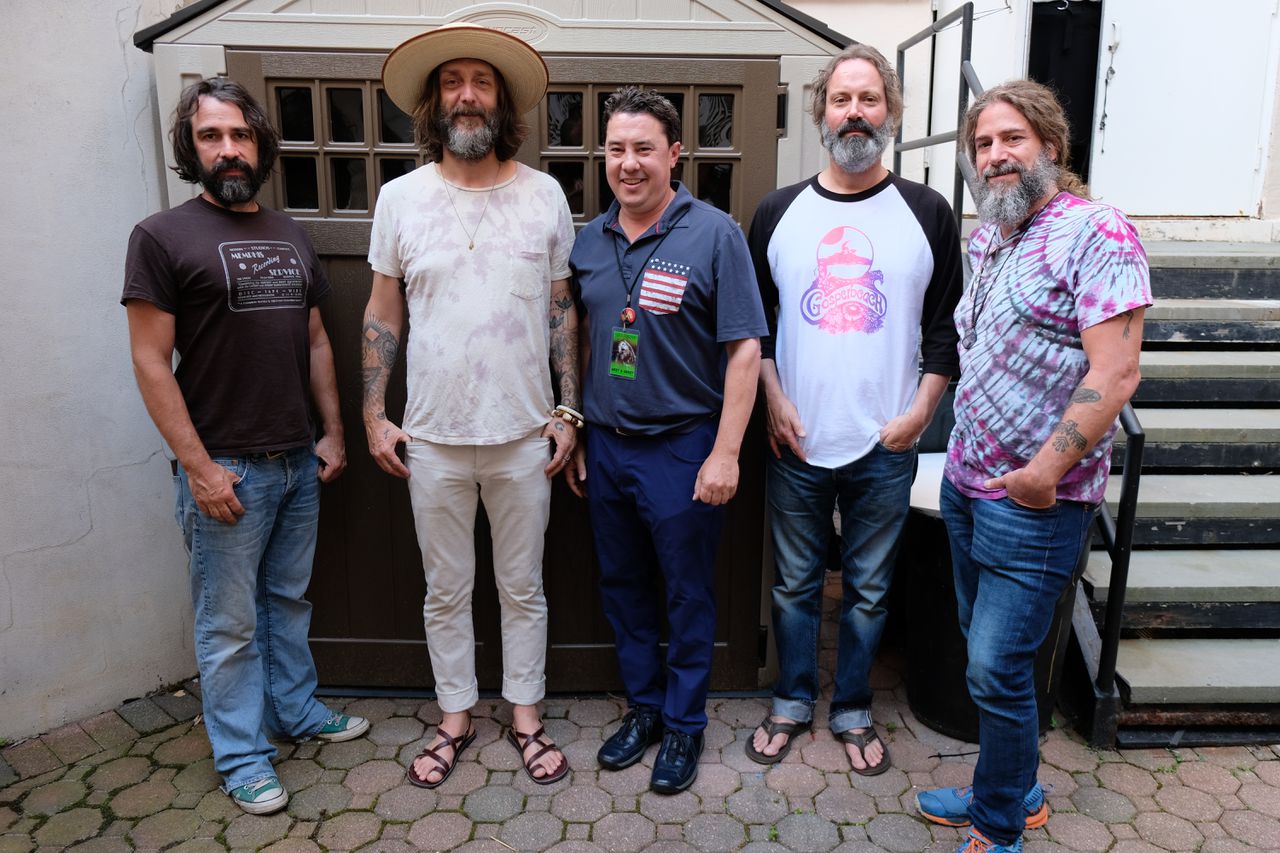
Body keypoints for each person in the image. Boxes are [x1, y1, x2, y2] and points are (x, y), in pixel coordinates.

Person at [915, 80, 1150, 853]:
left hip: (1037, 501)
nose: (995, 155)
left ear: (1051, 145)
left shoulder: (1097, 231)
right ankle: (1011, 785)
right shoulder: (990, 237)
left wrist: (1044, 471)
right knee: (992, 661)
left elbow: (1116, 372)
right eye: (982, 144)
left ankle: (998, 826)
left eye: (1012, 138)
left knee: (994, 666)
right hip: (968, 483)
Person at [123, 78, 368, 816]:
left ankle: (295, 710)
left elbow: (316, 339)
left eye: (240, 135)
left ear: (260, 146)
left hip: (295, 459)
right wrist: (199, 468)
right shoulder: (161, 237)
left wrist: (332, 432)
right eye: (211, 136)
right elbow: (148, 361)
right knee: (228, 625)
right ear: (190, 148)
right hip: (224, 466)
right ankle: (241, 755)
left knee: (287, 601)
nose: (228, 149)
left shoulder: (290, 233)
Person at [362, 24, 577, 788]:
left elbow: (561, 309)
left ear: (502, 101)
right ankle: (454, 715)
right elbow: (383, 310)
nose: (467, 95)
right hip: (432, 438)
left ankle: (525, 714)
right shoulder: (400, 199)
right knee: (446, 589)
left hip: (523, 434)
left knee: (523, 587)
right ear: (434, 102)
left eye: (481, 81)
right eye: (452, 81)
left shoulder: (544, 195)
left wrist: (569, 411)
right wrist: (373, 414)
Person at [745, 44, 963, 775]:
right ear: (822, 113)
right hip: (796, 437)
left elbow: (946, 329)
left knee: (869, 590)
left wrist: (921, 413)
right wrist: (773, 398)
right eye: (842, 99)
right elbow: (756, 324)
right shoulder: (777, 211)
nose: (855, 113)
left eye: (870, 99)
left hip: (887, 440)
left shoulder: (927, 212)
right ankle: (791, 699)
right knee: (794, 585)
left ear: (890, 112)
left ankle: (853, 707)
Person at [566, 87, 768, 794]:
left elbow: (745, 350)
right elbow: (585, 340)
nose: (629, 163)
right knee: (622, 587)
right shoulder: (589, 240)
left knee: (685, 594)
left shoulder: (714, 234)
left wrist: (726, 452)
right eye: (616, 149)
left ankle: (684, 724)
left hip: (683, 447)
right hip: (608, 447)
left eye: (644, 149)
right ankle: (645, 709)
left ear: (674, 154)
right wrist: (579, 428)